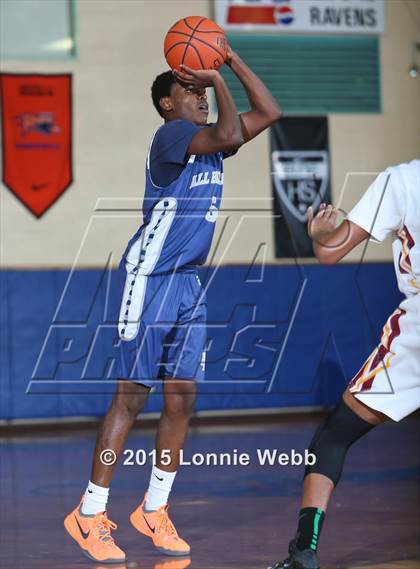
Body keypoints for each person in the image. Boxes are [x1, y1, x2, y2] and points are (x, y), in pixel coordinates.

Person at [64, 45, 281, 564]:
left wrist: (229, 65)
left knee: (182, 398)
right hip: (152, 277)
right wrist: (217, 78)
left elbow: (270, 112)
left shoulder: (209, 144)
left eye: (204, 93)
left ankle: (153, 510)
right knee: (132, 398)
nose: (202, 98)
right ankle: (89, 513)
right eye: (191, 91)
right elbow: (230, 131)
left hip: (188, 283)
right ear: (166, 104)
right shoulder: (172, 136)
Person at [268, 159, 420, 569]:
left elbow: (330, 253)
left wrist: (318, 233)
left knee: (334, 436)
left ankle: (304, 551)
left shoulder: (404, 180)